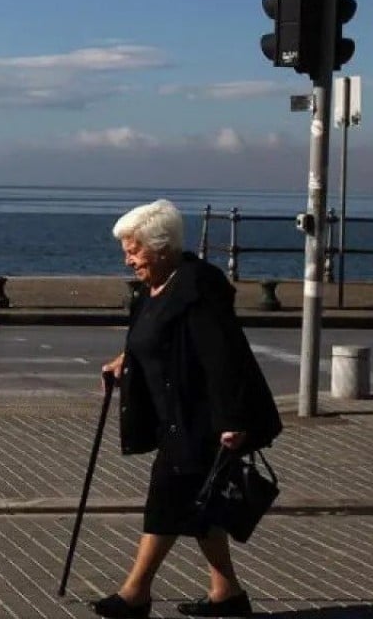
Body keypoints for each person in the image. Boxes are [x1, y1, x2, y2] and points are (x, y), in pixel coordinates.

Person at [91, 199, 282, 619]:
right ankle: (227, 593)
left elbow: (223, 357)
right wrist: (124, 362)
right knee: (201, 506)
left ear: (160, 247)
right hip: (173, 417)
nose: (128, 259)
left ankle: (135, 593)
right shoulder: (152, 289)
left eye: (133, 249)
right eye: (126, 249)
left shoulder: (197, 288)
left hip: (202, 420)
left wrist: (234, 421)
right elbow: (152, 339)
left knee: (166, 501)